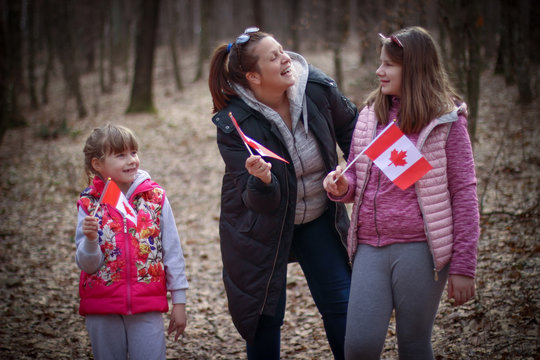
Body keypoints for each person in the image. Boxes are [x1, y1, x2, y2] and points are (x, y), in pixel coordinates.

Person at [323, 26, 479, 360]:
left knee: (413, 343)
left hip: (420, 250)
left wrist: (464, 266)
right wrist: (341, 187)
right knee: (359, 348)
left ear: (416, 68)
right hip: (369, 246)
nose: (379, 71)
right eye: (380, 63)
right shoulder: (369, 116)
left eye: (389, 65)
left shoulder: (446, 121)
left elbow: (464, 194)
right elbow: (355, 177)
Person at [208, 27, 358, 359]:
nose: (285, 59)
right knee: (263, 318)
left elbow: (355, 130)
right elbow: (258, 202)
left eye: (283, 50)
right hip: (259, 228)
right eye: (273, 57)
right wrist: (262, 180)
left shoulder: (317, 89)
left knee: (342, 306)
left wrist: (352, 173)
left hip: (318, 217)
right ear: (254, 77)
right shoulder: (234, 123)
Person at [75, 124, 189, 360]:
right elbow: (87, 265)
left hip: (146, 302)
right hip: (102, 306)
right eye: (120, 155)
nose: (131, 160)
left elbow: (173, 252)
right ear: (98, 164)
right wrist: (90, 241)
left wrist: (179, 301)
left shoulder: (155, 198)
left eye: (133, 153)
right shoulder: (89, 204)